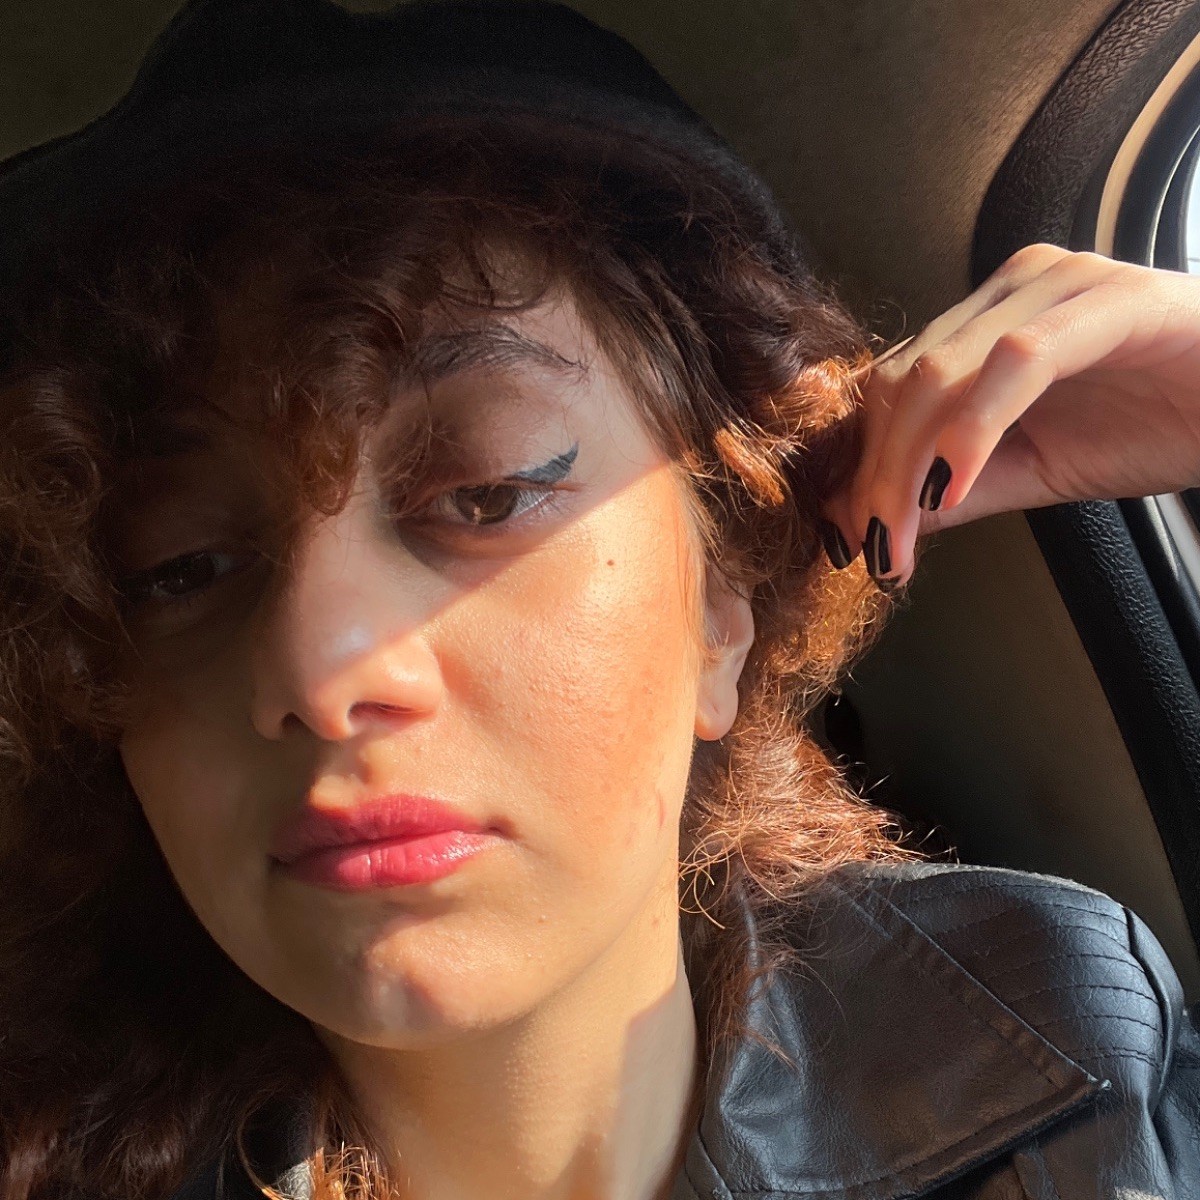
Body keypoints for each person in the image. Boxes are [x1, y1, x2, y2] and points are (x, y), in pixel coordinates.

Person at [0, 2, 1197, 1198]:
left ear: (722, 600)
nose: (320, 669)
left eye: (486, 494)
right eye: (180, 565)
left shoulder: (1063, 1033)